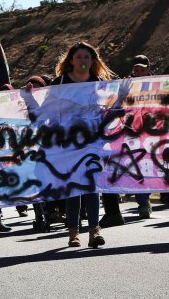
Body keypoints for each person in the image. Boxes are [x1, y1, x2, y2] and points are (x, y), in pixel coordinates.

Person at [55, 41, 116, 248]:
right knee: (74, 187)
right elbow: (47, 110)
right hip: (68, 143)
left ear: (93, 61)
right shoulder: (60, 83)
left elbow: (110, 111)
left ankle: (94, 230)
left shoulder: (100, 84)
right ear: (71, 60)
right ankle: (73, 232)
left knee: (91, 185)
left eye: (86, 57)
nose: (82, 60)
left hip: (93, 141)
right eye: (79, 57)